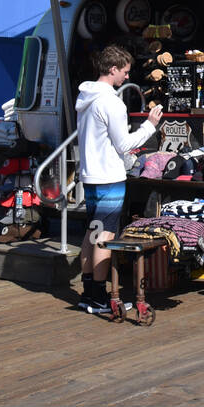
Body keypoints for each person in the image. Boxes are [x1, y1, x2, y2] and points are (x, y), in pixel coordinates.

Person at [75, 45, 162, 313]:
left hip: (90, 175)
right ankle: (99, 298)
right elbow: (124, 145)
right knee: (104, 235)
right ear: (112, 69)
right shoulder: (111, 102)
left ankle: (89, 295)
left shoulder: (85, 97)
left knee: (92, 232)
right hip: (108, 177)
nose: (126, 77)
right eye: (124, 72)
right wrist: (149, 125)